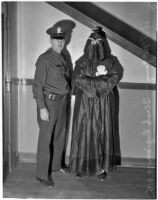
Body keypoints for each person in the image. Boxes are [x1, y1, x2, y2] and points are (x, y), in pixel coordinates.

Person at [70, 27, 123, 181]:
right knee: (84, 133)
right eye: (92, 42)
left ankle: (101, 168)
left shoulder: (110, 62)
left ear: (103, 44)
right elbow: (77, 80)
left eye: (99, 42)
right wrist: (98, 84)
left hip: (103, 105)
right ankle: (81, 165)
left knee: (102, 133)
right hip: (85, 105)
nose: (95, 46)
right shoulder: (81, 62)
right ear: (88, 43)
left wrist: (94, 84)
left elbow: (113, 79)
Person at [33, 23, 72, 187]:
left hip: (62, 102)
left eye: (62, 38)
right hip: (48, 103)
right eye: (56, 39)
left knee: (59, 136)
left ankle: (56, 166)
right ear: (50, 40)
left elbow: (64, 79)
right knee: (45, 139)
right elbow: (37, 85)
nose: (59, 42)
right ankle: (42, 175)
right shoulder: (44, 59)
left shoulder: (63, 57)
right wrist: (42, 107)